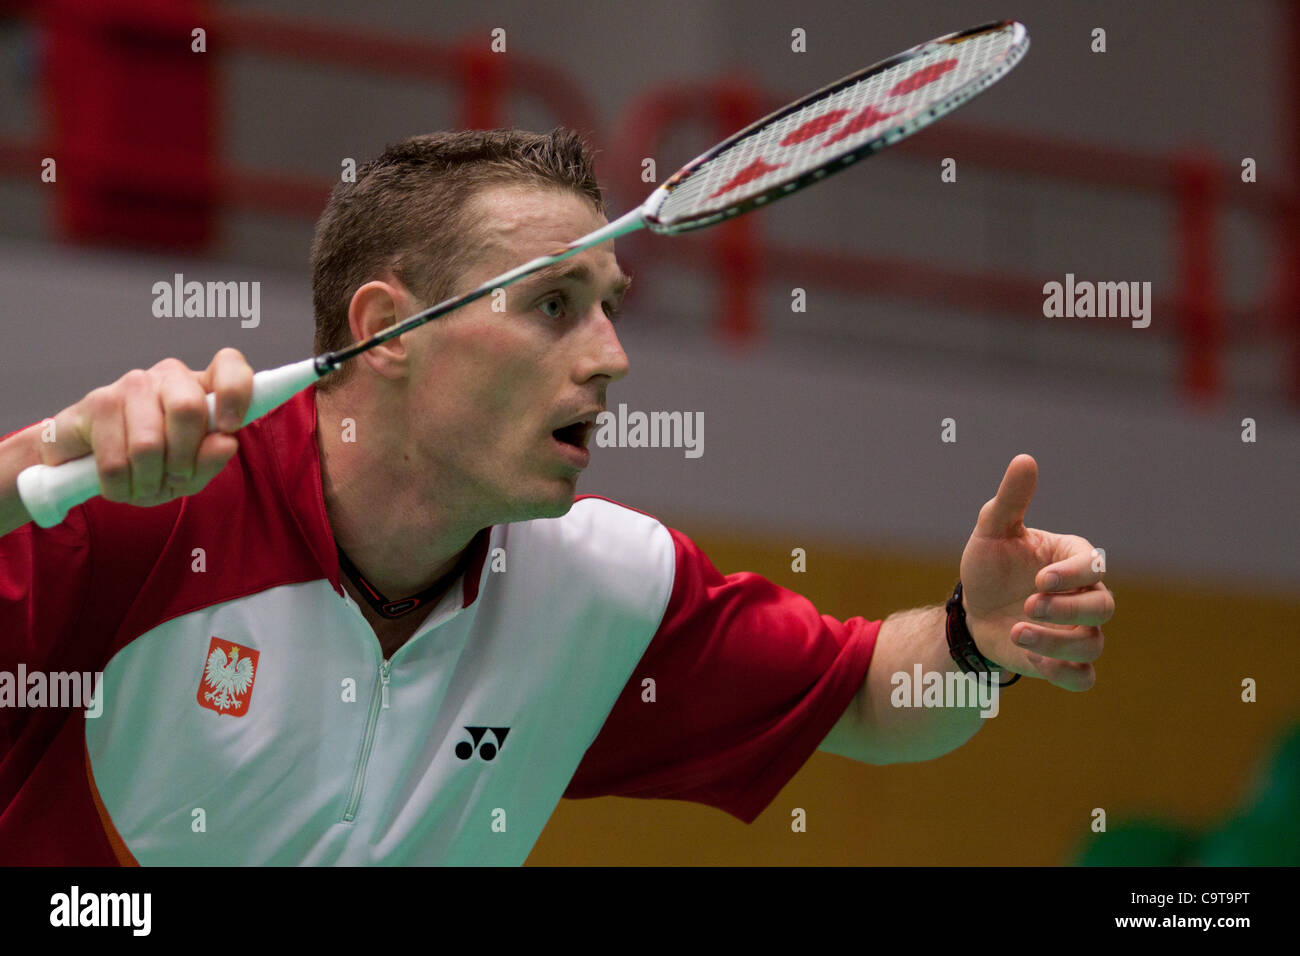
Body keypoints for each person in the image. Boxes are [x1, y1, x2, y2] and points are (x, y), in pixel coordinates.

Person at [0, 128, 1112, 864]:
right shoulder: (147, 511)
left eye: (610, 304)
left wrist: (976, 643)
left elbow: (867, 697)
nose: (613, 356)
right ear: (385, 329)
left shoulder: (605, 588)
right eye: (552, 304)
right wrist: (43, 453)